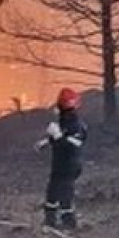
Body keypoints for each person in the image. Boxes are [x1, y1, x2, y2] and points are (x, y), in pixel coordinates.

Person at [35, 88, 88, 229]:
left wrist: (57, 135)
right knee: (51, 193)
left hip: (70, 166)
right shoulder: (64, 123)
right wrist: (46, 141)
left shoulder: (78, 127)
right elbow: (60, 140)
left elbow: (70, 147)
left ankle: (69, 224)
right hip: (59, 165)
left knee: (65, 194)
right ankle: (49, 222)